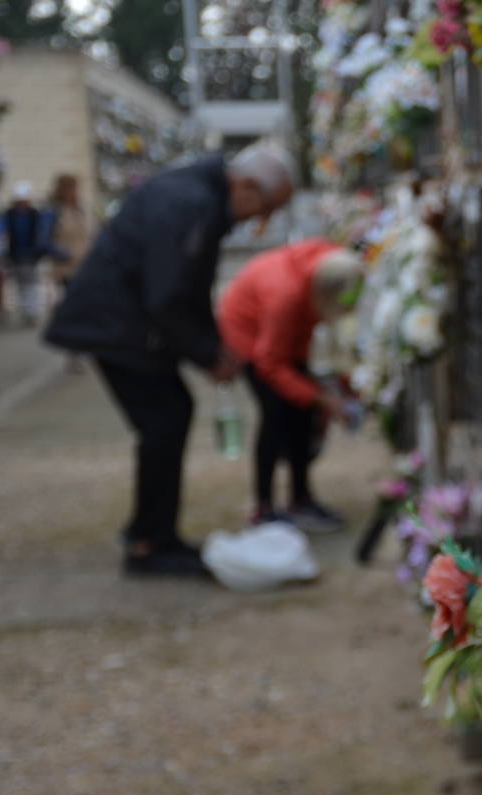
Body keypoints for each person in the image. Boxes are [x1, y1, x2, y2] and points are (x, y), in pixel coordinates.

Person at [44, 142, 296, 577]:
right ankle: (149, 545)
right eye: (266, 208)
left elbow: (191, 288)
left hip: (123, 322)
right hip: (114, 324)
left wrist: (215, 345)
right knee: (165, 417)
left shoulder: (203, 197)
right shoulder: (192, 201)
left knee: (169, 414)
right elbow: (166, 296)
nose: (260, 222)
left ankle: (151, 532)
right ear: (248, 187)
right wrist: (206, 354)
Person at [218, 240, 364, 533]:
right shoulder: (284, 295)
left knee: (302, 412)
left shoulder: (325, 264)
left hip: (281, 340)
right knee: (275, 417)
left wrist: (323, 392)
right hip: (251, 342)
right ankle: (264, 507)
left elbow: (299, 339)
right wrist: (320, 397)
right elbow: (270, 363)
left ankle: (300, 499)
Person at [45, 174, 92, 372]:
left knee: (82, 309)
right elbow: (44, 242)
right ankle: (74, 352)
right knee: (75, 309)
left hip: (83, 267)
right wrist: (64, 254)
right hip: (66, 269)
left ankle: (78, 349)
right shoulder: (53, 212)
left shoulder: (78, 209)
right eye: (74, 188)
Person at [0, 181, 48, 327]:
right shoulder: (8, 215)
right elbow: (1, 231)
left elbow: (42, 232)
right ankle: (26, 311)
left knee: (31, 285)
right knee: (20, 285)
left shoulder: (35, 215)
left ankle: (31, 313)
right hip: (15, 255)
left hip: (31, 255)